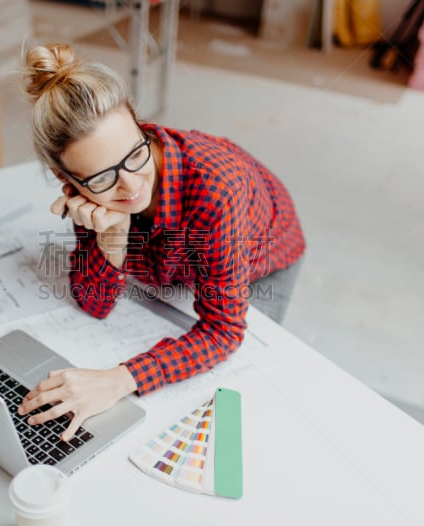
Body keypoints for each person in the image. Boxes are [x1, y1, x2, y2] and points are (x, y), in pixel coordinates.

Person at [18, 43, 305, 441]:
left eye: (135, 153)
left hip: (265, 252)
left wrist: (118, 380)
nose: (131, 186)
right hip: (180, 269)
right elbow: (94, 303)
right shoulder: (90, 194)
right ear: (65, 180)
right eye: (102, 178)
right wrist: (112, 235)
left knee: (248, 395)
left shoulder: (216, 189)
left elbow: (223, 331)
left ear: (137, 122)